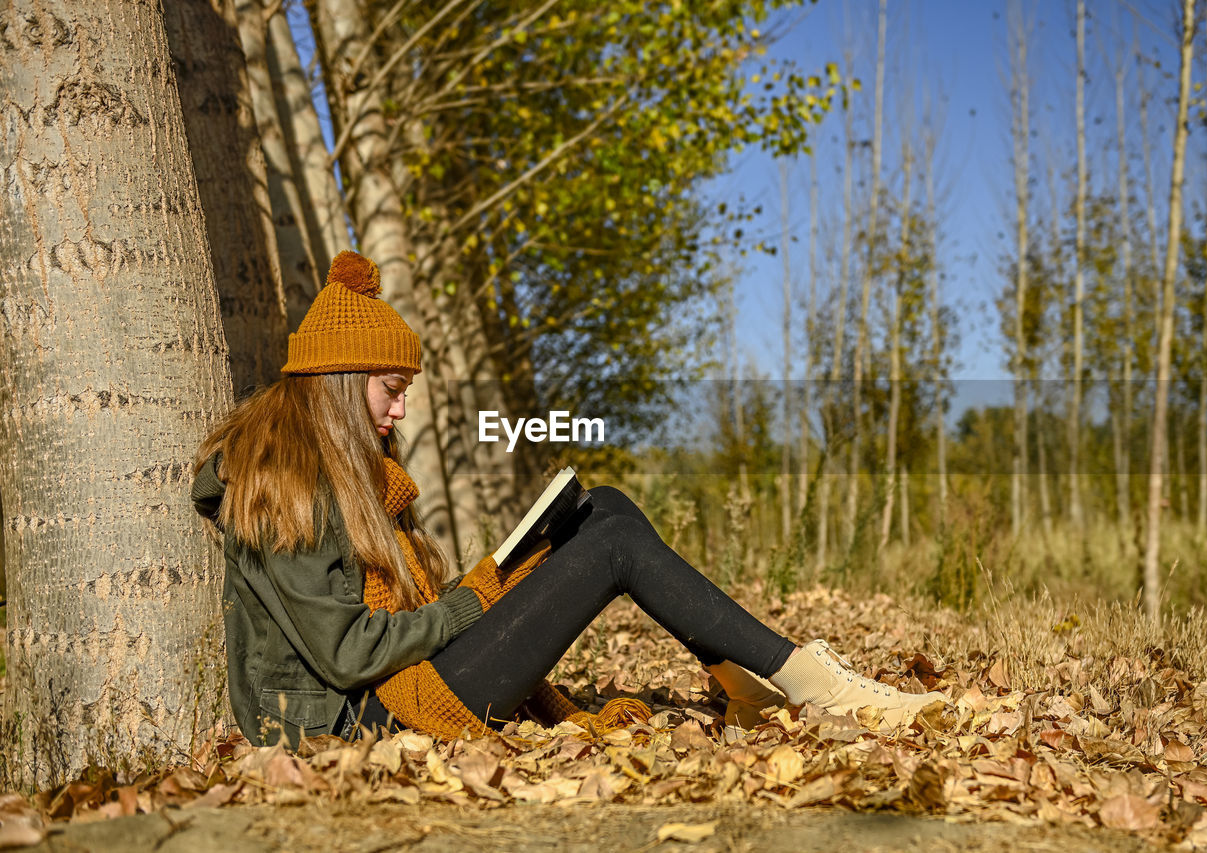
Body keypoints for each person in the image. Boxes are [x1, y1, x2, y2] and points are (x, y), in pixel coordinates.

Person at [191, 251, 945, 747]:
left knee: (605, 508)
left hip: (388, 688)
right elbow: (349, 651)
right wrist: (473, 599)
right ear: (339, 379)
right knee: (612, 547)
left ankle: (748, 682)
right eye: (392, 390)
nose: (398, 411)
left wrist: (492, 577)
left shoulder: (345, 469)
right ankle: (812, 685)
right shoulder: (284, 482)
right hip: (352, 722)